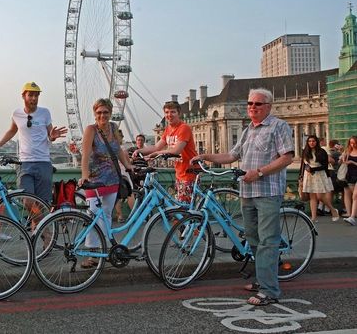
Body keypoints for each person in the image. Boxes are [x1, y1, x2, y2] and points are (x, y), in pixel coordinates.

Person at [191, 88, 294, 306]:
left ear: (268, 106)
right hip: (247, 192)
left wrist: (259, 172)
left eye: (257, 104)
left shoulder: (279, 126)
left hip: (267, 192)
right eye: (250, 103)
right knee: (254, 239)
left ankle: (270, 291)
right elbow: (231, 155)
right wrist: (205, 156)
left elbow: (287, 158)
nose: (252, 107)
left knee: (267, 240)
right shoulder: (248, 130)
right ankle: (263, 279)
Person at [78, 98, 133, 268]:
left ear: (110, 113)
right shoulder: (91, 130)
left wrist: (128, 166)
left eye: (105, 112)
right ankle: (93, 253)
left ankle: (104, 248)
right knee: (93, 214)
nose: (102, 115)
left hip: (112, 178)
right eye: (99, 112)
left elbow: (119, 151)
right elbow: (85, 154)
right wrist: (85, 175)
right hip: (94, 180)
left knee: (107, 214)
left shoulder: (114, 128)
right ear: (95, 114)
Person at [0, 82, 67, 204]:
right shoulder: (16, 114)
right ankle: (38, 223)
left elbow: (50, 135)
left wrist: (53, 137)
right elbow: (12, 131)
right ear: (23, 96)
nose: (34, 98)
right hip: (24, 163)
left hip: (43, 162)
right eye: (30, 95)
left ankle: (36, 224)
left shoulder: (45, 113)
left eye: (36, 95)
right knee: (28, 202)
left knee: (43, 203)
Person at [134, 101, 197, 203]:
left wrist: (155, 154)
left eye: (173, 112)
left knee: (183, 207)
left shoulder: (184, 128)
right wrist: (139, 151)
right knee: (180, 205)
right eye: (167, 112)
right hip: (179, 172)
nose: (169, 115)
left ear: (179, 113)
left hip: (190, 171)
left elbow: (176, 151)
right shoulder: (168, 129)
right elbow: (156, 147)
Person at [299, 135, 338, 222]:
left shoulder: (321, 151)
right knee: (312, 196)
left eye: (313, 141)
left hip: (319, 174)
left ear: (316, 142)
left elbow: (325, 166)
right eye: (309, 141)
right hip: (308, 175)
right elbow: (303, 165)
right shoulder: (305, 151)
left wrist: (313, 169)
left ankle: (332, 209)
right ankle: (313, 218)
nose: (311, 143)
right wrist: (300, 176)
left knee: (320, 196)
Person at [341, 136, 357, 225]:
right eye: (351, 143)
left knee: (355, 196)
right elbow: (342, 162)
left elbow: (352, 163)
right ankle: (352, 215)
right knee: (353, 196)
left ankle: (352, 217)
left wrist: (353, 162)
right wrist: (343, 158)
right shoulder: (348, 151)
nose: (353, 144)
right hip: (350, 175)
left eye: (354, 143)